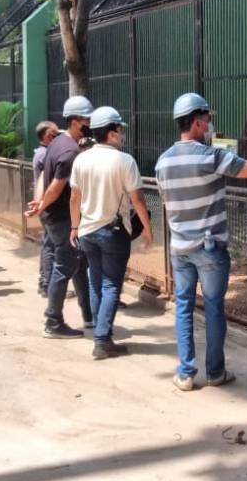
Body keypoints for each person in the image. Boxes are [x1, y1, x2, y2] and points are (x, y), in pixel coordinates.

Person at [155, 92, 247, 391]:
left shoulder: (163, 162)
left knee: (183, 307)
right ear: (196, 122)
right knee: (215, 307)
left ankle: (186, 373)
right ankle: (215, 372)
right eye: (206, 120)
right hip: (209, 249)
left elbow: (167, 203)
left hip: (180, 248)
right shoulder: (211, 158)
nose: (209, 124)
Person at [69, 106, 153, 360]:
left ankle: (100, 334)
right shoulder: (124, 160)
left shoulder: (81, 159)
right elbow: (137, 199)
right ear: (112, 132)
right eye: (120, 128)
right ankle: (103, 340)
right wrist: (148, 229)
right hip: (113, 232)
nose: (122, 133)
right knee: (111, 284)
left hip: (87, 231)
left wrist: (74, 226)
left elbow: (74, 197)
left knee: (96, 282)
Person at [25, 95, 94, 338]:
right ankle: (53, 321)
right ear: (76, 121)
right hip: (63, 217)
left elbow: (43, 177)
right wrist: (42, 204)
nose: (90, 122)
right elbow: (55, 185)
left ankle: (89, 315)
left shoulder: (56, 143)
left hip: (56, 214)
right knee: (64, 267)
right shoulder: (70, 151)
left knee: (78, 263)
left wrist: (38, 202)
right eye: (87, 118)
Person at [32, 121, 59, 296]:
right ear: (48, 136)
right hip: (48, 204)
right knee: (49, 246)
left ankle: (45, 281)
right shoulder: (44, 155)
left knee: (47, 244)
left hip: (44, 204)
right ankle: (47, 284)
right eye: (56, 134)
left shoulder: (42, 153)